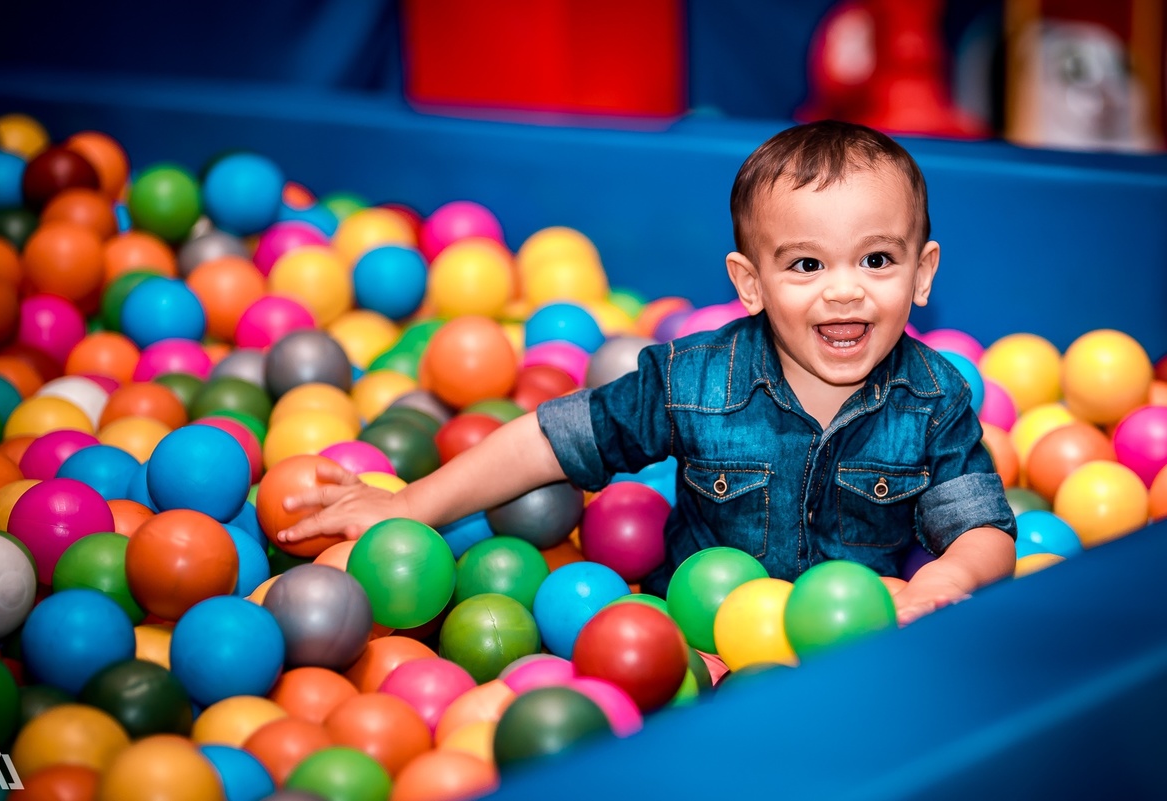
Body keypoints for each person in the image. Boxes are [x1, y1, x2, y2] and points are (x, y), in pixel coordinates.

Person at [279, 119, 1017, 626]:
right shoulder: (691, 381)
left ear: (922, 275)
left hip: (856, 638)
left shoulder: (935, 397)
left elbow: (983, 526)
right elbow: (553, 438)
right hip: (694, 642)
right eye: (806, 264)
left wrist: (945, 580)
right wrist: (410, 506)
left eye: (877, 259)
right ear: (750, 282)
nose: (846, 288)